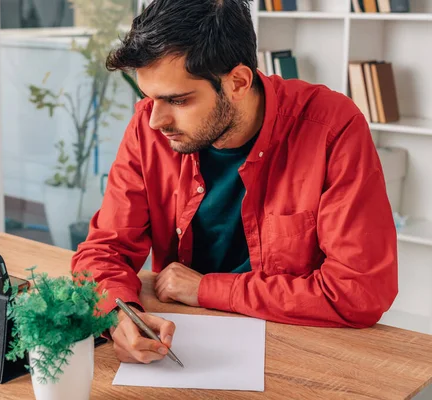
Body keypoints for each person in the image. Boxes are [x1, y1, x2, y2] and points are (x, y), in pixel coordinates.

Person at [71, 0, 398, 365]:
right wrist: (120, 317)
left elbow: (360, 291)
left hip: (298, 347)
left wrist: (208, 289)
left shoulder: (331, 128)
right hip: (182, 342)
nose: (154, 120)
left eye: (177, 100)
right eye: (149, 98)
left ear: (238, 82)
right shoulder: (149, 130)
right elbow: (103, 252)